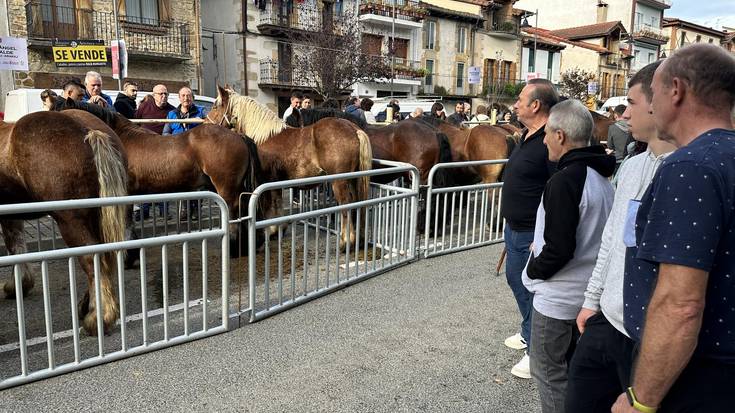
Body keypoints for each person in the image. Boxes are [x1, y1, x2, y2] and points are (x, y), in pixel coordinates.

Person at [611, 44, 735, 413]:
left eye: (655, 94)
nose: (650, 107)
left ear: (676, 90)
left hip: (698, 379)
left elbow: (680, 304)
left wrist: (642, 401)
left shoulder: (691, 166)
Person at [566, 61, 677, 413]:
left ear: (657, 102)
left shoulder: (691, 171)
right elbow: (612, 240)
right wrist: (591, 299)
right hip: (606, 322)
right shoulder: (631, 167)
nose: (624, 113)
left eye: (630, 102)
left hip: (649, 340)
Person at [522, 100, 615, 412]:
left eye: (547, 133)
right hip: (586, 295)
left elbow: (560, 249)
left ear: (560, 135)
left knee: (548, 374)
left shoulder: (565, 180)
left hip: (558, 300)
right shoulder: (600, 177)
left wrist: (533, 270)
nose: (544, 139)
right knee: (570, 375)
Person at [499, 78, 559, 379]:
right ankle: (528, 331)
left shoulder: (551, 139)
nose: (516, 103)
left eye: (521, 98)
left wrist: (544, 235)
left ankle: (537, 352)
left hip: (531, 233)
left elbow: (557, 189)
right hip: (515, 228)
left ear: (535, 105)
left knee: (530, 288)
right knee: (516, 281)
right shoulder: (527, 134)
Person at [606, 104, 632, 170]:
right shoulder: (633, 126)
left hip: (618, 162)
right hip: (632, 160)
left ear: (615, 115)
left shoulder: (612, 128)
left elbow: (610, 146)